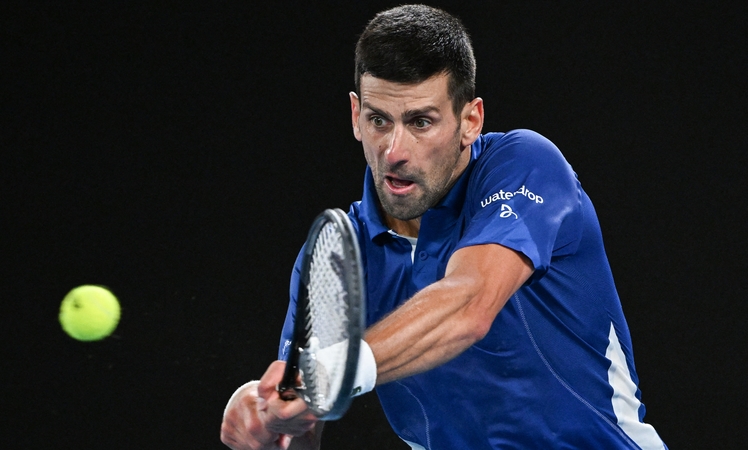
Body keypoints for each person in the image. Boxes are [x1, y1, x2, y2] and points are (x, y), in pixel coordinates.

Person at [221, 4, 666, 449]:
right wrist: (270, 421)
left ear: (470, 120)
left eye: (420, 122)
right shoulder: (339, 255)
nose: (394, 151)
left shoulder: (525, 165)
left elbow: (469, 305)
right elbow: (304, 423)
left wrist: (335, 371)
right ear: (355, 115)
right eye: (379, 120)